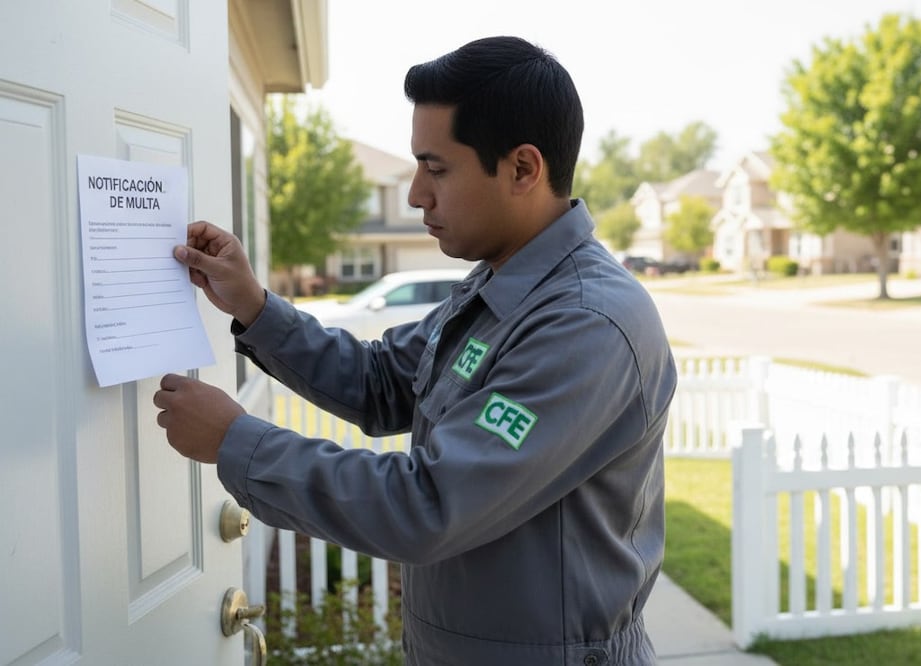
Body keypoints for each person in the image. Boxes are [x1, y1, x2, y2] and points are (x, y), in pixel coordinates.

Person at [154, 35, 677, 665]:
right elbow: (381, 380)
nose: (415, 195)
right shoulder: (498, 284)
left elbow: (428, 506)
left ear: (522, 169)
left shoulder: (585, 326)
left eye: (436, 168)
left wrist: (235, 441)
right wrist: (253, 306)